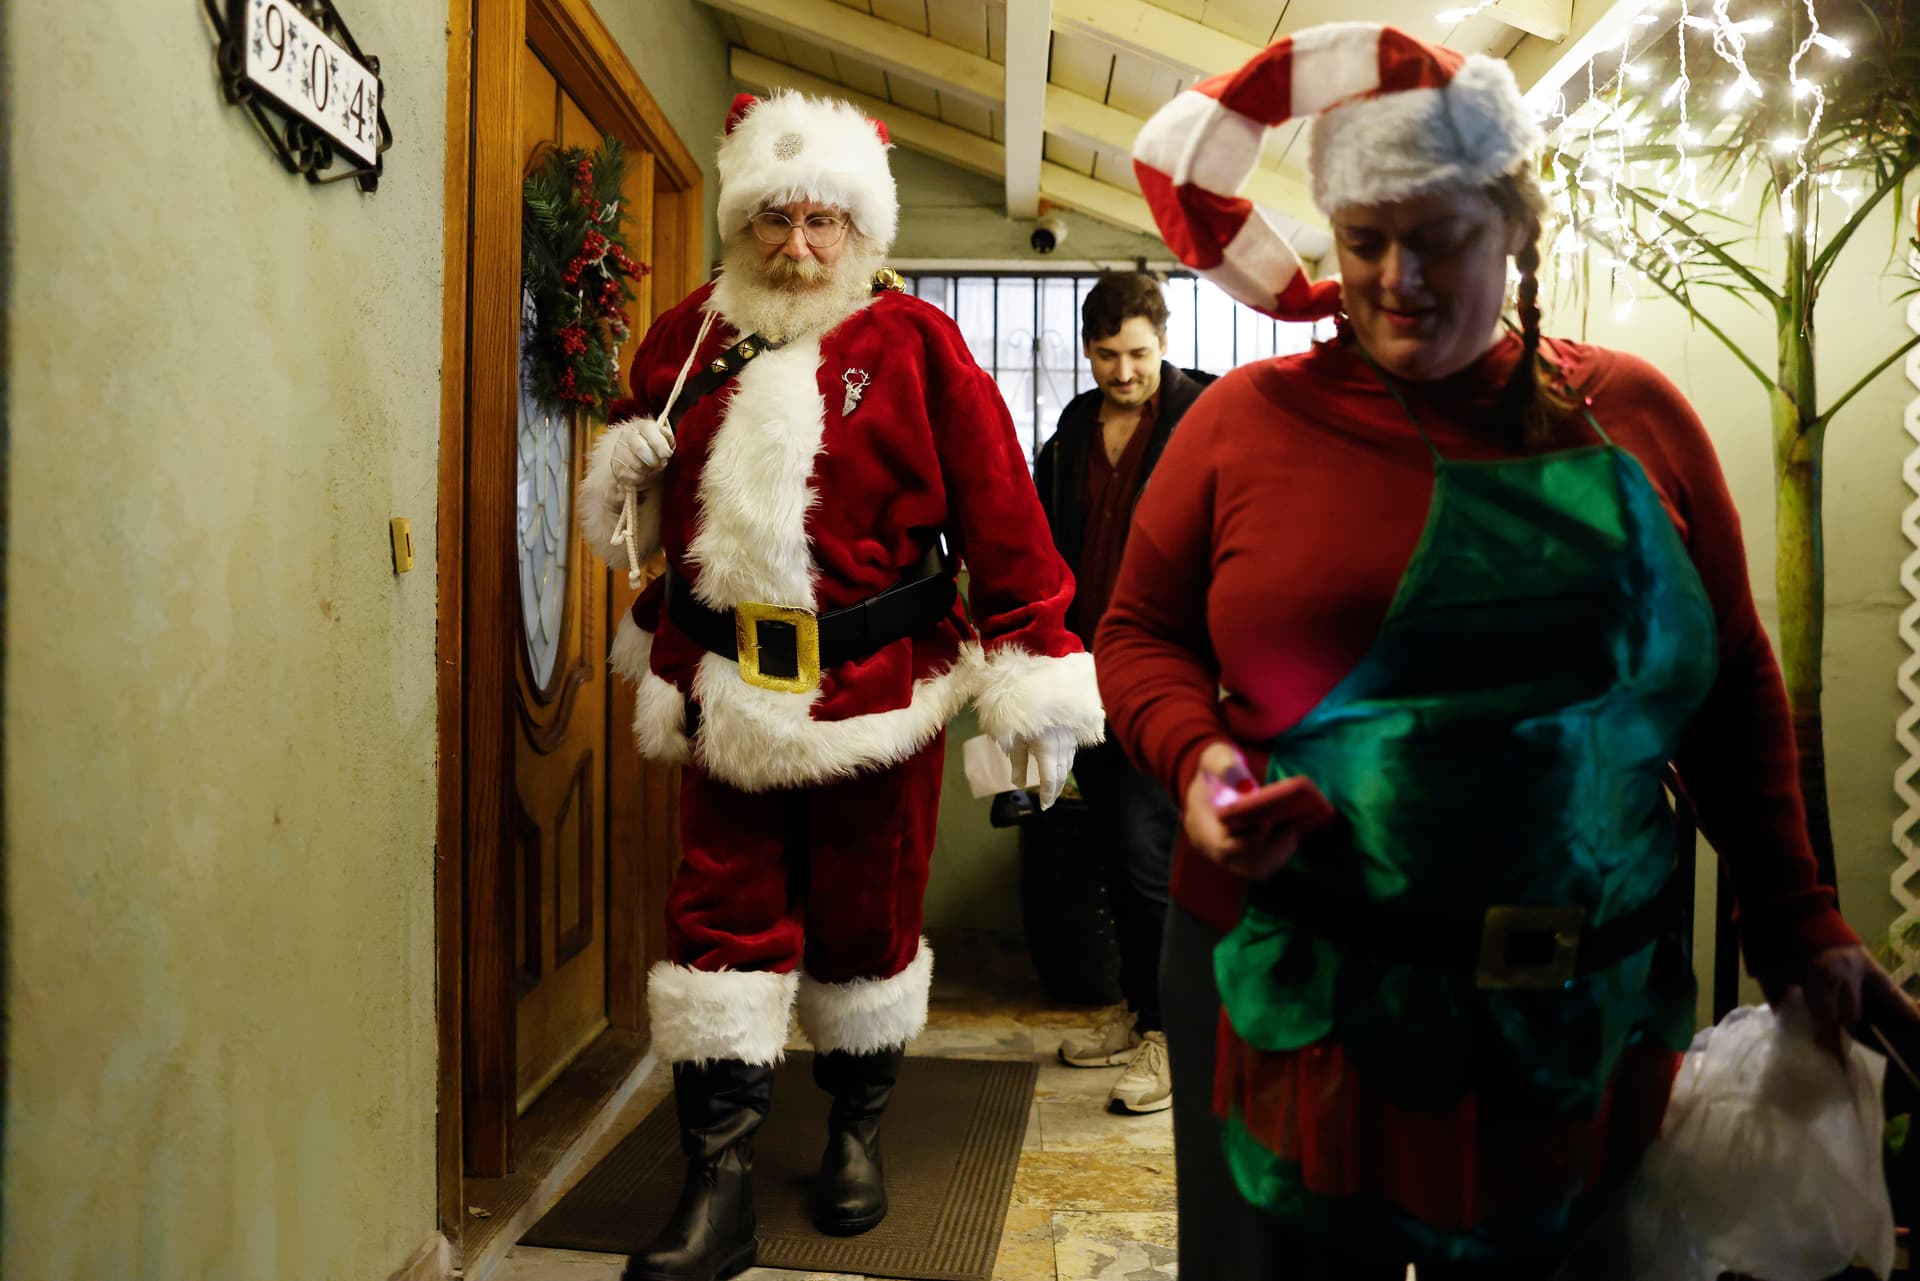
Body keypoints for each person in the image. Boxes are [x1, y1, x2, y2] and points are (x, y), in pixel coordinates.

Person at [1098, 23, 1909, 1278]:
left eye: (1439, 237)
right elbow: (1140, 630)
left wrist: (1796, 916)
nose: (1395, 277)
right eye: (1364, 238)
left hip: (1576, 1013)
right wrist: (1200, 763)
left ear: (1519, 231)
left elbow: (1733, 682)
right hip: (1289, 987)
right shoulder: (1243, 426)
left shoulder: (1633, 417)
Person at [577, 90, 1104, 1281]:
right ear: (739, 224)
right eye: (775, 220)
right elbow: (632, 536)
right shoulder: (682, 343)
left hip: (880, 695)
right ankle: (716, 1187)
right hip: (725, 691)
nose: (799, 246)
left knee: (869, 926)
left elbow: (1007, 528)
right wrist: (628, 474)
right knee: (716, 931)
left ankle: (855, 1135)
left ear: (863, 230)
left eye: (824, 221)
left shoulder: (923, 348)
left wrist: (1033, 683)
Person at [1031, 273, 1211, 1115]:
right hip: (1082, 673)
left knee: (1148, 856)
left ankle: (1172, 1035)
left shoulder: (1204, 416)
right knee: (1103, 846)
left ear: (1163, 341)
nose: (1123, 371)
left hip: (1169, 672)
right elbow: (1040, 538)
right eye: (1107, 355)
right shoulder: (1072, 428)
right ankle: (1138, 1014)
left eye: (1138, 353)